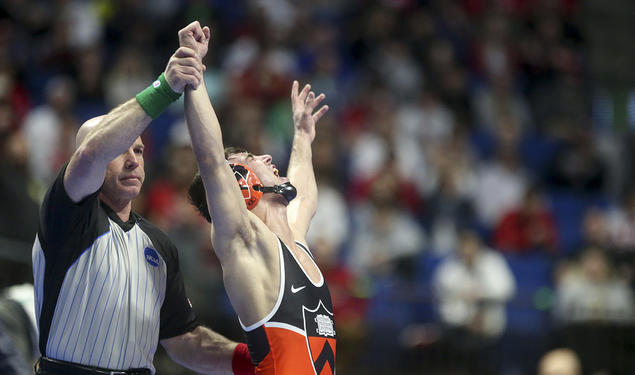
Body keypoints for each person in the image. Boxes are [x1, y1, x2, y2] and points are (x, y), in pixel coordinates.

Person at [31, 22, 253, 375]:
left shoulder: (159, 245)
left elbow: (186, 341)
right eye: (120, 149)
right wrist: (165, 87)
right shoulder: (68, 214)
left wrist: (254, 362)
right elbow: (91, 153)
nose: (133, 158)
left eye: (139, 149)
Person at [183, 23, 336, 375]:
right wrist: (196, 75)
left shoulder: (294, 239)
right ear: (240, 182)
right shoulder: (246, 241)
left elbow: (305, 195)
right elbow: (209, 159)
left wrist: (302, 137)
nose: (268, 158)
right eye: (254, 159)